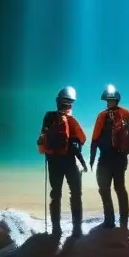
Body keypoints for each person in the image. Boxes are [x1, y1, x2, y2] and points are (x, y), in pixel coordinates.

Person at [37, 86, 87, 237]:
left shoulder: (48, 117)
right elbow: (83, 138)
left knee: (55, 194)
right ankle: (76, 230)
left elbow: (42, 142)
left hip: (53, 161)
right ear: (70, 104)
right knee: (76, 194)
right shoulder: (71, 120)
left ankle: (56, 230)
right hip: (70, 161)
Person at [90, 85, 129, 229]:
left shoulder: (102, 115)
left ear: (108, 100)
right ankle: (124, 220)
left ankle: (109, 220)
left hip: (106, 159)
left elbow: (95, 138)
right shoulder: (126, 113)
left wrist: (91, 159)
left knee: (104, 188)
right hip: (121, 158)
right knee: (120, 188)